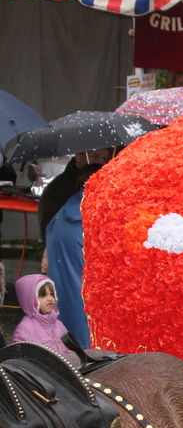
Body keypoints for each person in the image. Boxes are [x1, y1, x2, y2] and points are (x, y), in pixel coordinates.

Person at [45, 147, 114, 347]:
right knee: (83, 347)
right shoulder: (85, 217)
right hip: (81, 300)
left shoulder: (69, 210)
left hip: (61, 295)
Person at [11, 274, 74, 357]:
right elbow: (20, 360)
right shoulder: (25, 329)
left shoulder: (59, 324)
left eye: (52, 294)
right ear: (30, 299)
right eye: (43, 295)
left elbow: (70, 349)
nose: (50, 298)